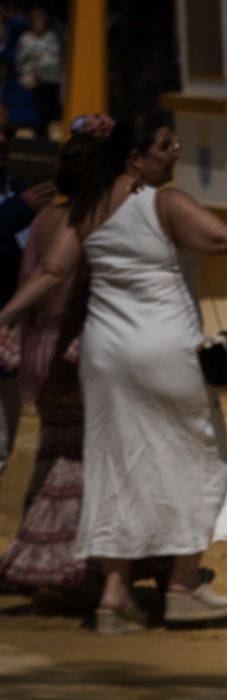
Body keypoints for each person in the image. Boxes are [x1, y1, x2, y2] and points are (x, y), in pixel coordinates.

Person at [0, 112, 227, 635]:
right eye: (165, 145)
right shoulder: (164, 202)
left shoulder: (88, 207)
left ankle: (115, 598)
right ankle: (182, 585)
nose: (175, 151)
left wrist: (4, 315)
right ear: (136, 158)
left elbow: (51, 272)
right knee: (198, 460)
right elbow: (222, 240)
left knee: (115, 469)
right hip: (165, 351)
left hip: (106, 356)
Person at [0, 119, 99, 610]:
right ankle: (71, 568)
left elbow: (30, 279)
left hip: (39, 351)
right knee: (80, 461)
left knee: (51, 455)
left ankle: (40, 565)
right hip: (77, 352)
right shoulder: (93, 223)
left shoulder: (42, 222)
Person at [0, 101, 51, 491]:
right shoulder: (21, 199)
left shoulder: (17, 186)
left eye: (9, 132)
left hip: (9, 347)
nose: (4, 140)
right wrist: (19, 211)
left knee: (3, 446)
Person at [14, 6, 58, 142]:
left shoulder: (51, 37)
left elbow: (54, 58)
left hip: (49, 78)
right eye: (38, 22)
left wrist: (39, 62)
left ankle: (43, 133)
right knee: (35, 107)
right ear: (32, 23)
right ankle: (35, 132)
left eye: (42, 22)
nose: (40, 25)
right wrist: (34, 65)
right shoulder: (25, 39)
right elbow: (21, 61)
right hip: (31, 79)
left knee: (46, 108)